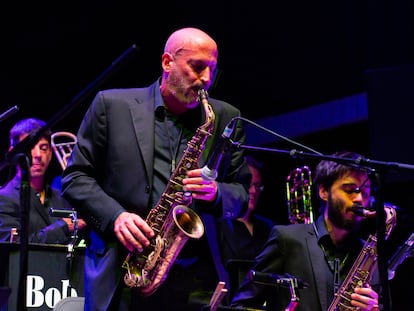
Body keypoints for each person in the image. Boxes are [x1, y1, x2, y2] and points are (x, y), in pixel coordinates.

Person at [61, 27, 250, 311]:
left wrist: (216, 192)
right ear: (167, 62)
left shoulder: (225, 116)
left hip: (194, 280)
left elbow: (241, 193)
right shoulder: (111, 106)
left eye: (212, 70)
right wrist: (116, 217)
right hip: (122, 270)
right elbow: (75, 178)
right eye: (197, 67)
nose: (206, 80)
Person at [231, 151, 392, 311]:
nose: (359, 199)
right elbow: (241, 306)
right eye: (350, 190)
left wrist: (373, 309)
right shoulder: (287, 240)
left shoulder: (371, 257)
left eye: (364, 191)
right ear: (323, 191)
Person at [0, 118, 86, 244]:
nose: (38, 155)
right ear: (13, 154)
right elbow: (15, 247)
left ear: (50, 153)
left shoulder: (62, 198)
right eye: (30, 147)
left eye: (44, 148)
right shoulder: (4, 198)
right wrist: (64, 227)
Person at [216, 155, 275, 301]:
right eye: (250, 184)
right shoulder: (218, 225)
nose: (254, 191)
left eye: (257, 185)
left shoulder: (268, 227)